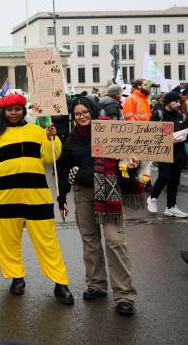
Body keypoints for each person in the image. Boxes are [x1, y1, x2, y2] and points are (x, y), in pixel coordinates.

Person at [0, 93, 73, 305]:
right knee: (7, 243)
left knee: (47, 243)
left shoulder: (38, 131)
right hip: (3, 198)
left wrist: (53, 138)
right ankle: (17, 277)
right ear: (3, 112)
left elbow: (51, 157)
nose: (13, 113)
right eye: (9, 109)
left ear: (23, 110)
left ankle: (60, 283)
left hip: (36, 196)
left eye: (17, 109)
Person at [57, 97, 139, 316]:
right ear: (73, 117)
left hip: (109, 192)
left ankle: (124, 295)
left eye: (85, 112)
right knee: (90, 241)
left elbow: (125, 164)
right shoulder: (72, 139)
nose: (82, 116)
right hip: (83, 194)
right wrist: (62, 197)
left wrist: (130, 166)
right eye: (77, 114)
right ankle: (96, 284)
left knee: (115, 241)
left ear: (93, 112)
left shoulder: (110, 133)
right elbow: (63, 169)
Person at [147, 92, 188, 217]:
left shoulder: (181, 115)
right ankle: (153, 198)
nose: (177, 104)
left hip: (179, 152)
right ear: (168, 102)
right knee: (164, 176)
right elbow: (149, 134)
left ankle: (171, 207)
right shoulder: (158, 115)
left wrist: (183, 137)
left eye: (179, 102)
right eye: (175, 102)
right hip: (163, 151)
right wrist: (167, 139)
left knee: (175, 180)